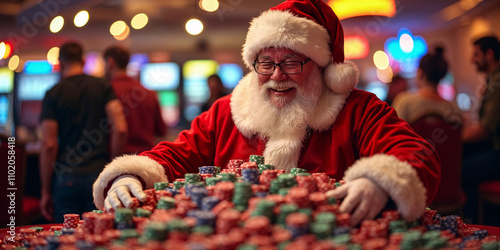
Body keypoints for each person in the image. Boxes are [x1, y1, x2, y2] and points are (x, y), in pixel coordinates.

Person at [93, 0, 440, 226]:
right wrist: (131, 174)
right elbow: (175, 154)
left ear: (322, 67)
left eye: (291, 62)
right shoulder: (226, 112)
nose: (276, 75)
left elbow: (420, 154)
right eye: (266, 62)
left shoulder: (359, 110)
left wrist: (380, 180)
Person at [39, 41, 127, 222]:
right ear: (84, 61)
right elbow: (121, 129)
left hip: (66, 177)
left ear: (60, 63)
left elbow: (48, 144)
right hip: (98, 176)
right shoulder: (103, 87)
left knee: (66, 241)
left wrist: (45, 191)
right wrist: (113, 168)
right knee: (98, 235)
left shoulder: (53, 93)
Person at [462, 36, 500, 223]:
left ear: (489, 54)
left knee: (458, 171)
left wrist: (457, 137)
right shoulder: (493, 80)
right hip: (493, 149)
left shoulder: (497, 81)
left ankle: (473, 225)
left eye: (476, 55)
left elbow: (485, 129)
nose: (472, 60)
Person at [103, 45, 167, 154]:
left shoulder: (106, 92)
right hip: (146, 159)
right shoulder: (149, 93)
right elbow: (161, 131)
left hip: (117, 160)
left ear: (110, 62)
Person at [392, 47, 462, 125]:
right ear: (442, 75)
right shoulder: (452, 108)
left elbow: (394, 133)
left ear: (420, 73)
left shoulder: (404, 102)